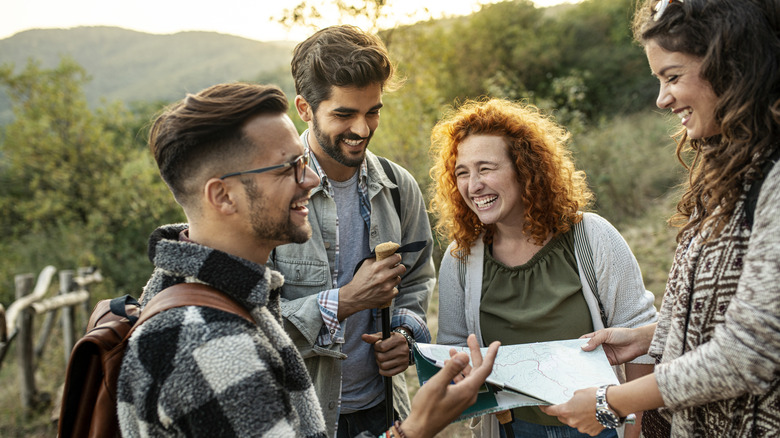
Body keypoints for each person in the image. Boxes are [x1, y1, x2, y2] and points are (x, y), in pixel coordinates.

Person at [115, 81, 500, 438]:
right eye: (287, 168)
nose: (312, 180)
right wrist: (416, 427)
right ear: (223, 196)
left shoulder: (223, 297)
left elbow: (416, 281)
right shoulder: (211, 344)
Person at [540, 0, 780, 437]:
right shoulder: (728, 168)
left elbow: (752, 350)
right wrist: (650, 337)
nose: (661, 98)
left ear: (733, 68)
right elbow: (725, 308)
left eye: (672, 77)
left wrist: (610, 403)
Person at [428, 97, 659, 438]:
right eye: (462, 172)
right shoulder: (460, 258)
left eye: (486, 168)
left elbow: (641, 334)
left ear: (525, 169)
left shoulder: (591, 237)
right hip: (511, 429)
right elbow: (453, 352)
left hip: (600, 426)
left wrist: (635, 429)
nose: (472, 185)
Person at [268, 25, 436, 437]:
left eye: (373, 112)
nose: (362, 129)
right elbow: (246, 322)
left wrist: (404, 333)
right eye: (344, 114)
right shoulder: (271, 194)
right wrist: (343, 302)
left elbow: (417, 281)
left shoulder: (399, 188)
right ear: (305, 109)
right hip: (294, 418)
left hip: (384, 412)